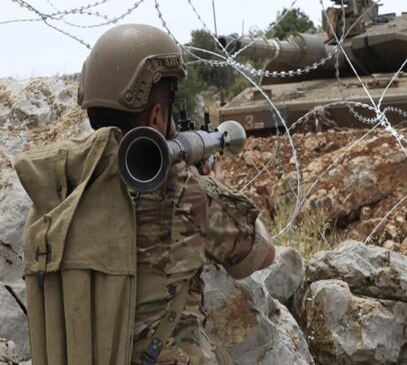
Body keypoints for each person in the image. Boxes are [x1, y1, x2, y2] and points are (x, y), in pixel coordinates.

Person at [78, 23, 275, 364]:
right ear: (156, 115)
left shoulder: (64, 182)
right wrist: (216, 186)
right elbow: (261, 256)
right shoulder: (187, 190)